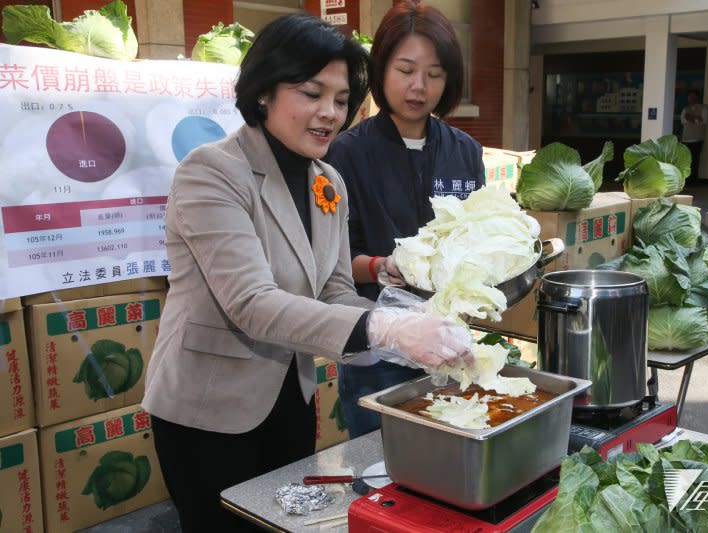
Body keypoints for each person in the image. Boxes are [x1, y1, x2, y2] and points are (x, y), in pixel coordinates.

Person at [141, 13, 473, 533]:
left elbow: (335, 289)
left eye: (341, 100)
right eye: (311, 93)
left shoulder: (328, 182)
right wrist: (385, 329)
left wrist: (411, 327)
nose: (329, 113)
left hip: (289, 398)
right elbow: (250, 302)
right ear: (265, 92)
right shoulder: (211, 172)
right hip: (207, 407)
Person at [324, 0, 485, 438]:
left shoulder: (464, 151)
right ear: (381, 71)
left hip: (452, 342)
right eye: (406, 70)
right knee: (382, 470)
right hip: (379, 349)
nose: (419, 86)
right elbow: (334, 262)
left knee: (450, 458)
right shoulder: (346, 153)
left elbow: (476, 240)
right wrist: (380, 267)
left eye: (434, 74)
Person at [680, 89, 708, 183]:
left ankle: (694, 180)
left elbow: (703, 121)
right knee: (686, 160)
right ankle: (686, 180)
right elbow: (683, 121)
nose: (691, 98)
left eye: (693, 96)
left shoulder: (703, 108)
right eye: (690, 96)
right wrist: (695, 118)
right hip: (686, 138)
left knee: (695, 160)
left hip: (697, 138)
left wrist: (691, 118)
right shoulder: (685, 109)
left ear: (697, 97)